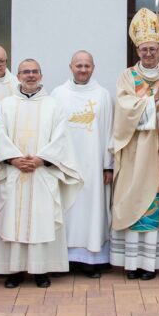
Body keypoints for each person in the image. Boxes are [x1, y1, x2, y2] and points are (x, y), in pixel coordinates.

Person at [0, 59, 82, 288]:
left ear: (41, 75)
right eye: (25, 72)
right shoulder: (5, 105)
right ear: (18, 76)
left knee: (42, 221)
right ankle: (14, 271)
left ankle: (41, 270)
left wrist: (42, 159)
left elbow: (61, 138)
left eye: (34, 72)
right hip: (13, 172)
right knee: (12, 221)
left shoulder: (53, 105)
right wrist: (13, 159)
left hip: (42, 173)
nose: (30, 75)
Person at [111, 8, 159, 280]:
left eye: (153, 49)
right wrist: (155, 98)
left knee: (155, 200)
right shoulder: (127, 76)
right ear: (137, 50)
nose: (149, 53)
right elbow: (124, 109)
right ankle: (132, 264)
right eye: (144, 49)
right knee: (133, 199)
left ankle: (151, 265)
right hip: (134, 151)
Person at [50, 50, 114, 277]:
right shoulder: (58, 94)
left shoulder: (103, 95)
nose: (83, 70)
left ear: (93, 68)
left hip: (95, 165)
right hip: (66, 165)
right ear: (71, 67)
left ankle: (92, 260)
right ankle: (64, 259)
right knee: (67, 209)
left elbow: (109, 131)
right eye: (79, 65)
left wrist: (108, 165)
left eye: (87, 66)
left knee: (93, 210)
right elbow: (52, 130)